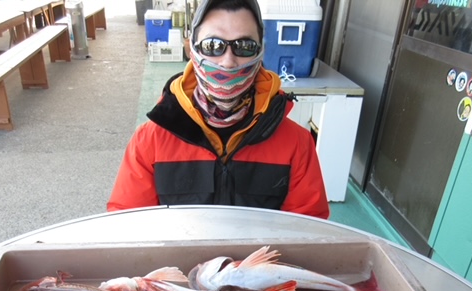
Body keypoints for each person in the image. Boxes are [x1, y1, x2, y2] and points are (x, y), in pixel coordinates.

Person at [107, 0, 330, 219]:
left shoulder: (296, 144)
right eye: (213, 46)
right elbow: (130, 226)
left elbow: (307, 230)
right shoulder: (150, 141)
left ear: (260, 52)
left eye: (244, 46)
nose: (228, 61)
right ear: (192, 49)